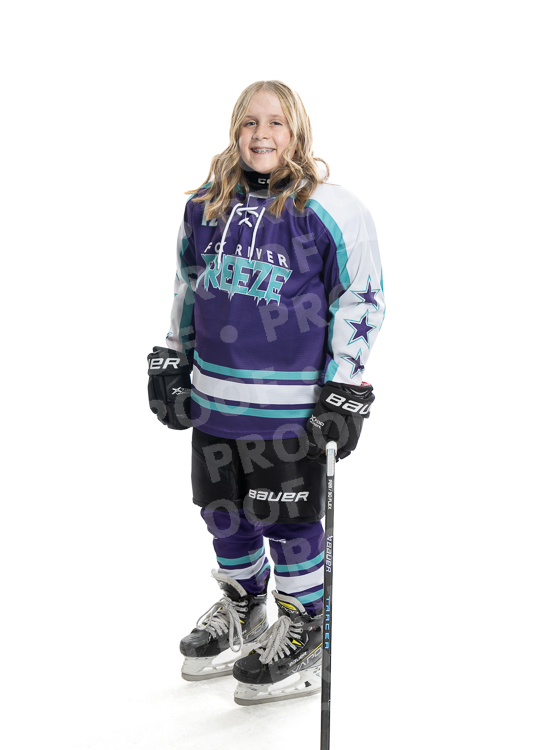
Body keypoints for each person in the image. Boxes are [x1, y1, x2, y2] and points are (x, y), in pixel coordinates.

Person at [147, 80, 385, 705]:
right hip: (215, 400)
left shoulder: (331, 209)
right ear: (235, 129)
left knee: (289, 521)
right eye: (250, 121)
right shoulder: (206, 205)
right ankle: (245, 607)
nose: (261, 134)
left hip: (289, 410)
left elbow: (360, 298)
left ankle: (303, 629)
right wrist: (173, 356)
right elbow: (188, 286)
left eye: (276, 122)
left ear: (297, 130)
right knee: (221, 510)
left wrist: (344, 385)